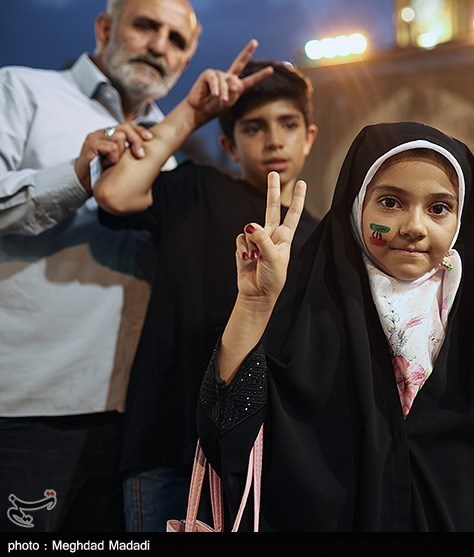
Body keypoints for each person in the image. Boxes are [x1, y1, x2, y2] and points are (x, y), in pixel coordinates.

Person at [196, 121, 474, 531]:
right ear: (356, 205)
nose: (414, 227)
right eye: (390, 202)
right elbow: (227, 434)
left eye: (439, 208)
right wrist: (255, 303)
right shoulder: (309, 314)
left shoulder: (461, 314)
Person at [92, 47, 319, 531]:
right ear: (229, 145)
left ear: (309, 136)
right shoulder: (196, 189)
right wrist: (193, 112)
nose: (274, 139)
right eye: (253, 127)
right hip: (170, 443)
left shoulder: (323, 236)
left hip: (268, 457)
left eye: (288, 124)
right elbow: (115, 193)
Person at [0, 0, 200, 532]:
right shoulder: (21, 90)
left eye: (177, 40)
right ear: (105, 27)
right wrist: (75, 175)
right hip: (27, 411)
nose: (159, 47)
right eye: (146, 26)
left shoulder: (168, 155)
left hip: (132, 423)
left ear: (186, 61)